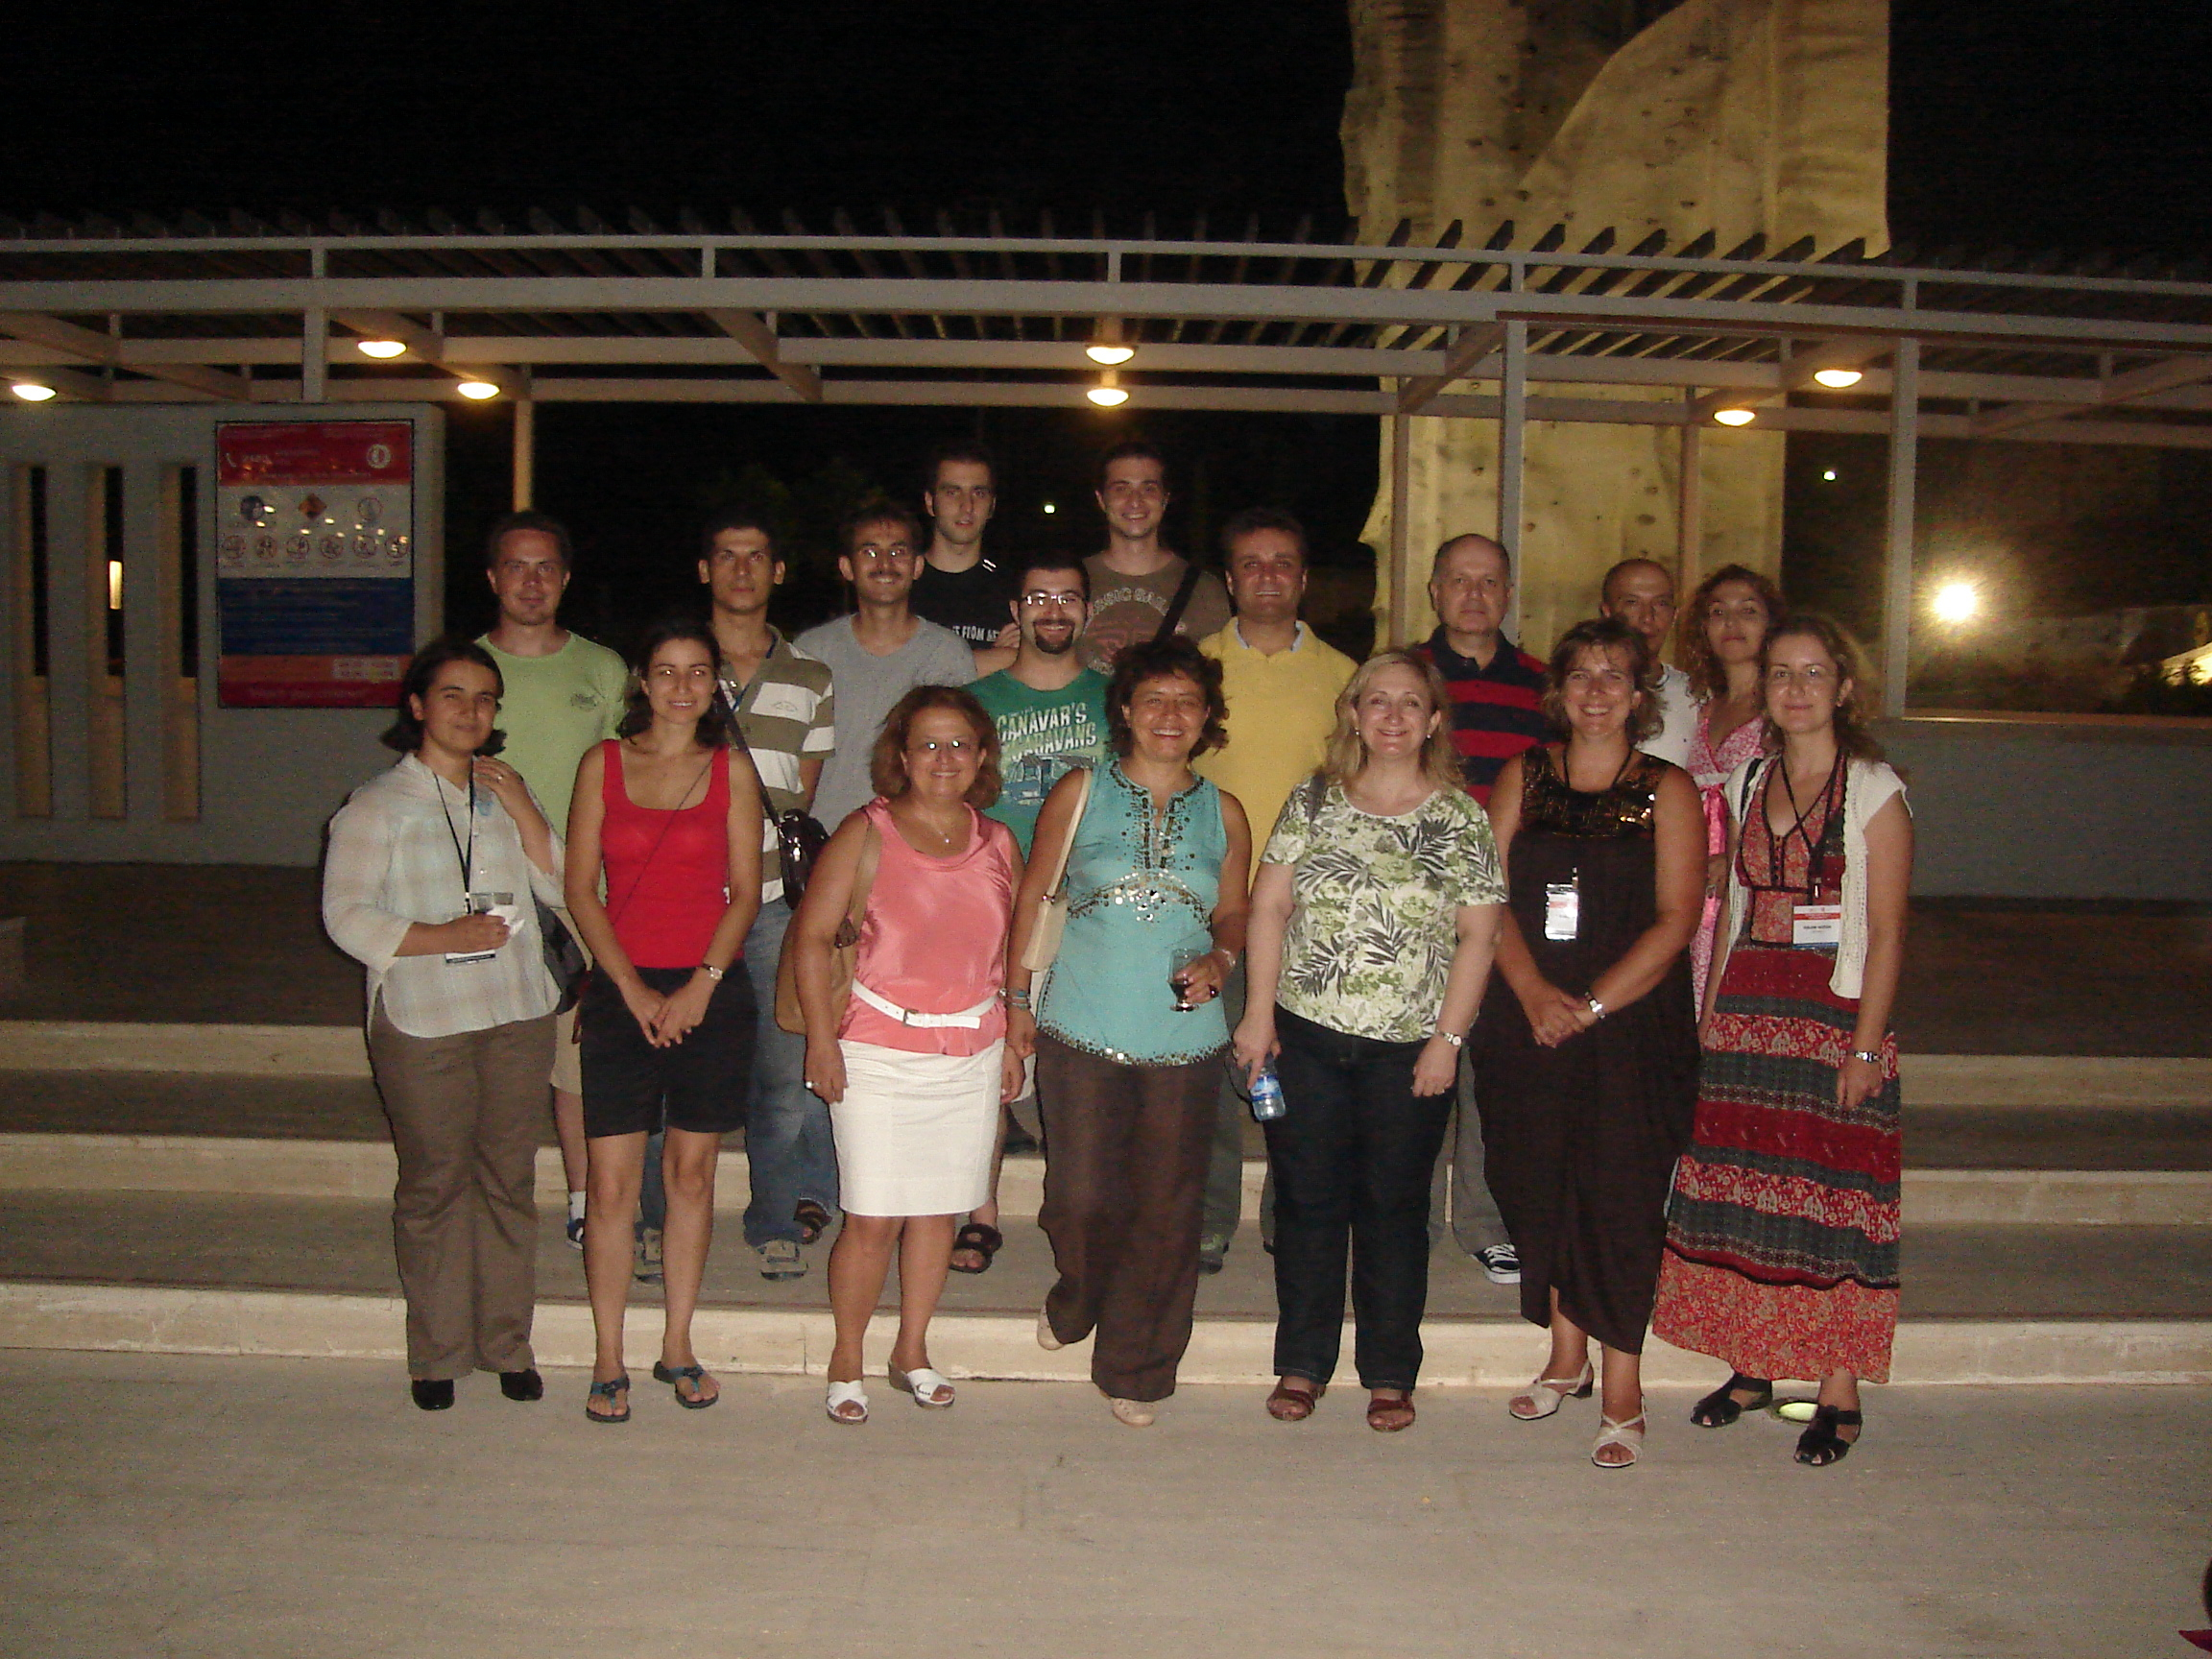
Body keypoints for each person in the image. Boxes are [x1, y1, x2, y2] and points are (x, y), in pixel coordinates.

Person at [1652, 613, 1912, 1468]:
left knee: (1832, 1196)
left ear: (1844, 688)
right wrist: (1709, 1021)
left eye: (1813, 673)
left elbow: (1888, 930)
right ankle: (1753, 1363)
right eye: (1780, 674)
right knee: (1750, 1193)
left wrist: (1865, 1047)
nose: (1796, 689)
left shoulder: (1872, 788)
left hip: (1834, 1014)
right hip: (1750, 1008)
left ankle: (1837, 1388)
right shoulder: (1747, 781)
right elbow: (1730, 909)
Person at [1232, 650, 1503, 1432]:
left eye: (1410, 703)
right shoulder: (1313, 799)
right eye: (1376, 700)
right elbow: (1269, 908)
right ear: (1352, 713)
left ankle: (1389, 1372)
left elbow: (1479, 936)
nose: (1392, 716)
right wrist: (1257, 1015)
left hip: (1410, 1049)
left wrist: (1448, 1040)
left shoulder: (1460, 818)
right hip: (1307, 1039)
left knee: (1395, 1208)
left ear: (1434, 720)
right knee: (1308, 1204)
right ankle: (1302, 1362)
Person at [1473, 617, 1703, 1469]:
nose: (1597, 691)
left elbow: (1677, 920)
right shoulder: (1523, 775)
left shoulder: (1669, 789)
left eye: (1614, 676)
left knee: (1618, 1197)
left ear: (1639, 696)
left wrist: (1593, 1006)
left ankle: (1623, 1387)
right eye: (1581, 675)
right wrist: (1536, 994)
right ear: (1558, 691)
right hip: (1526, 1015)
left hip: (1631, 1025)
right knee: (1536, 1183)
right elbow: (1486, 895)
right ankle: (1565, 1357)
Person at [1007, 637, 1252, 1427]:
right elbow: (1034, 896)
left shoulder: (1225, 811)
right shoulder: (1080, 791)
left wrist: (1222, 955)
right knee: (1079, 1197)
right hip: (1080, 1024)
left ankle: (1137, 1368)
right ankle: (1080, 1294)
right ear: (1126, 710)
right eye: (1154, 699)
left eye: (1187, 701)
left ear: (1207, 716)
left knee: (1167, 1210)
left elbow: (1234, 910)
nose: (1170, 715)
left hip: (1184, 1037)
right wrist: (1016, 1003)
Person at [322, 638, 565, 1411]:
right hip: (425, 1019)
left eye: (485, 698)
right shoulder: (377, 805)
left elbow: (566, 887)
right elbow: (345, 916)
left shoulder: (504, 794)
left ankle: (507, 1345)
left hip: (517, 1011)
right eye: (453, 694)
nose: (470, 710)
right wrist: (441, 937)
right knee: (435, 1185)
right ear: (418, 707)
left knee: (508, 1181)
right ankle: (437, 1353)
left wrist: (526, 809)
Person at [789, 686, 1024, 1424]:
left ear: (982, 756)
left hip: (971, 1050)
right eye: (927, 744)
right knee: (871, 1218)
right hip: (877, 1050)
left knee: (937, 1214)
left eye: (959, 744)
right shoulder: (866, 832)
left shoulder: (998, 843)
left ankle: (911, 1350)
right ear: (901, 755)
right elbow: (810, 939)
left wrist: (1014, 1034)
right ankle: (846, 1358)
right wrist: (822, 1042)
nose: (943, 758)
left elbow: (1013, 951)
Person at [564, 621, 764, 1423]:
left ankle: (678, 1342)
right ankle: (608, 1354)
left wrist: (700, 987)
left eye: (698, 673)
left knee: (691, 1176)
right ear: (642, 683)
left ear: (716, 685)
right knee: (612, 1185)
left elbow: (745, 892)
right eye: (667, 671)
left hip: (709, 990)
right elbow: (581, 890)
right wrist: (633, 990)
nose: (682, 687)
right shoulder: (603, 764)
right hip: (622, 989)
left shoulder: (732, 770)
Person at [1191, 507, 1357, 1274]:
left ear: (1304, 579)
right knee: (1209, 1068)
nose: (1267, 576)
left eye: (1282, 563)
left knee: (1298, 1076)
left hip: (1307, 914)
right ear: (1229, 581)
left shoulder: (1345, 678)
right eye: (1251, 564)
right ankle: (1207, 1218)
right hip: (1210, 908)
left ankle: (1290, 1214)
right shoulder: (1195, 667)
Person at [473, 512, 628, 1250]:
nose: (530, 582)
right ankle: (491, 1194)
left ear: (565, 580)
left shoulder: (603, 669)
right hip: (485, 889)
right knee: (496, 1052)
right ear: (492, 578)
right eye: (515, 566)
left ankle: (583, 1198)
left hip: (581, 890)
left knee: (578, 1057)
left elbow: (628, 777)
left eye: (545, 568)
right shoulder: (464, 669)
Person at [699, 510, 841, 1283]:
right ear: (705, 569)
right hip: (688, 895)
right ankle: (651, 1217)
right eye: (727, 555)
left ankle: (774, 1216)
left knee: (784, 1073)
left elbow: (798, 802)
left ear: (777, 571)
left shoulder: (810, 678)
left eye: (757, 556)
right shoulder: (676, 665)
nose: (742, 570)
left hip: (774, 902)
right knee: (678, 1066)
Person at [960, 554, 1113, 1273]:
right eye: (1039, 597)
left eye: (1068, 598)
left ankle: (1079, 1212)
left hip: (1090, 904)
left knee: (1079, 1068)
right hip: (990, 898)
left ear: (1088, 611)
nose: (1054, 610)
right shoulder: (975, 702)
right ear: (1015, 610)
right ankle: (978, 1209)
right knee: (987, 1062)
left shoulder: (1116, 700)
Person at [1413, 533, 1550, 1286]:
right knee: (1415, 1062)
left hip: (1505, 904)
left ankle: (1487, 1221)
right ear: (1434, 590)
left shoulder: (1544, 687)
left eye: (1488, 581)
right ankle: (1408, 1217)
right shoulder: (1404, 676)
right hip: (1415, 901)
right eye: (1458, 581)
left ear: (1508, 594)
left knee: (1488, 1070)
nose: (1473, 594)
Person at [797, 498, 975, 832]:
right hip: (825, 836)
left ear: (917, 566)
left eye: (898, 551)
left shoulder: (947, 655)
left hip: (915, 839)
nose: (885, 564)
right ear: (847, 567)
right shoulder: (812, 652)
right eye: (870, 551)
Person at [1681, 564, 1786, 1006]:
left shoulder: (1784, 707)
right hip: (1693, 876)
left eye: (1748, 611)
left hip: (1753, 880)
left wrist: (1737, 857)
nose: (1732, 623)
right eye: (1718, 612)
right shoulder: (1700, 708)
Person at [1078, 442, 1231, 672]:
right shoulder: (1071, 583)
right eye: (1121, 489)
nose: (1135, 501)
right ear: (1101, 500)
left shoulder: (1204, 589)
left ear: (1165, 499)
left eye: (1148, 489)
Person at [910, 441, 1022, 657]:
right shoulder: (901, 585)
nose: (967, 506)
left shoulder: (1014, 590)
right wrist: (994, 658)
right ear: (930, 502)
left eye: (979, 493)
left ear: (992, 506)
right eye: (953, 492)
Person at [1599, 557, 1698, 769]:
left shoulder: (1695, 696)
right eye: (1632, 603)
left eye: (1661, 603)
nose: (1647, 617)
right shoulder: (1579, 693)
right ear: (1607, 612)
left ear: (1674, 615)